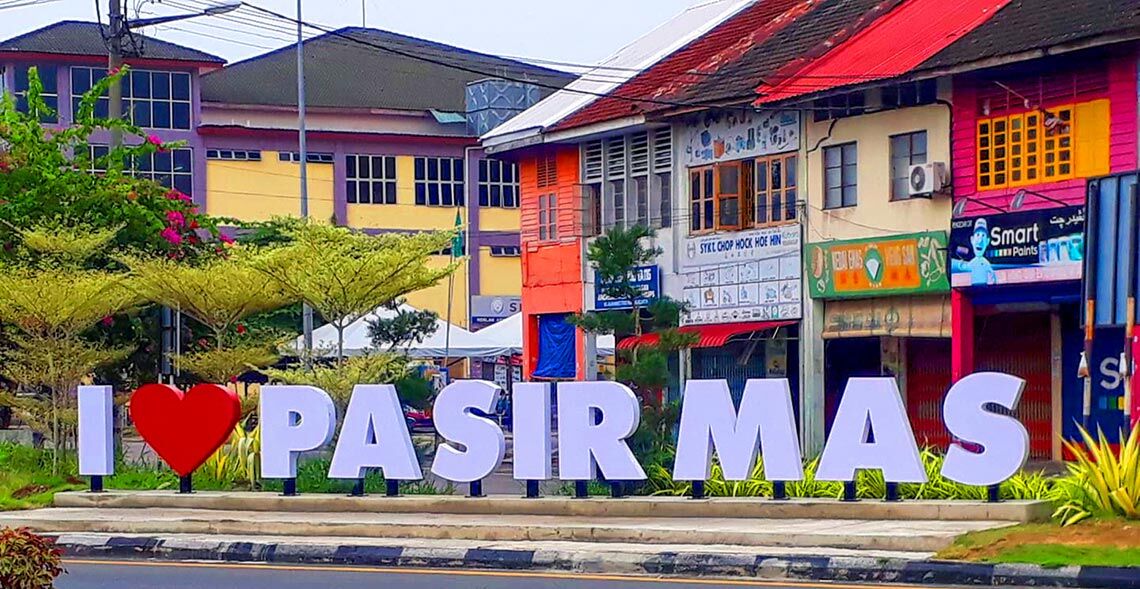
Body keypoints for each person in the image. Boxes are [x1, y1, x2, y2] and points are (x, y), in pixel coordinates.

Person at [952, 218, 997, 286]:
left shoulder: (985, 262)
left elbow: (992, 273)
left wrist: (993, 282)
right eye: (977, 235)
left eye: (983, 235)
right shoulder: (973, 261)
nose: (980, 240)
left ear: (987, 241)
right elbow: (963, 267)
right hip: (973, 285)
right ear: (972, 239)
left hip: (984, 286)